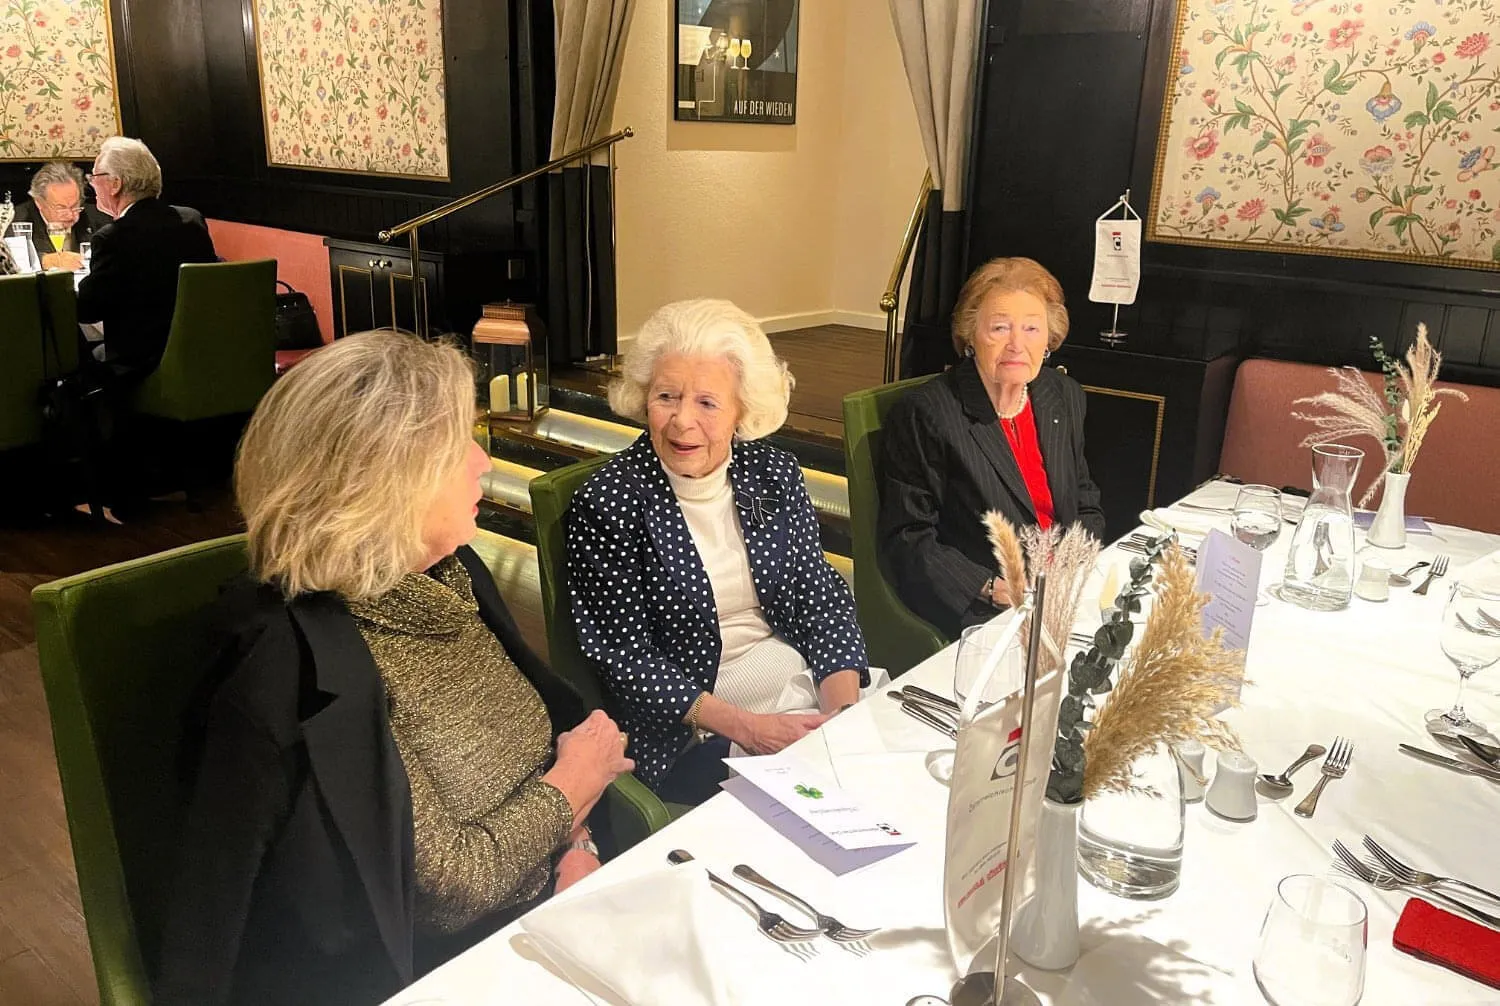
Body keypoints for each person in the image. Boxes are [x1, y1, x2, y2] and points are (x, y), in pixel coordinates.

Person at [155, 331, 633, 1006]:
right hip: (453, 970)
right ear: (382, 486)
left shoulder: (448, 576)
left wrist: (578, 845)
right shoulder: (302, 665)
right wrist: (575, 785)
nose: (482, 462)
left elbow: (543, 742)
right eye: (455, 448)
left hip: (559, 900)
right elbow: (450, 888)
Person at [566, 299, 869, 805]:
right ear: (643, 398)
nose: (682, 421)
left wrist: (841, 714)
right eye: (667, 396)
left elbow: (820, 597)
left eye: (707, 403)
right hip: (692, 726)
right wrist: (749, 729)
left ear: (741, 411)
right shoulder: (610, 501)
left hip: (797, 686)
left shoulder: (773, 474)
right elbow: (624, 659)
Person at [879, 257, 1105, 639]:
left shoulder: (1063, 395)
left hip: (1062, 591)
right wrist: (991, 588)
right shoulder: (929, 413)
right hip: (989, 606)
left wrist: (1073, 566)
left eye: (1031, 328)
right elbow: (909, 536)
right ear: (970, 335)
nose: (1017, 344)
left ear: (1049, 339)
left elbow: (1084, 498)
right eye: (999, 327)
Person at [77, 137, 217, 380]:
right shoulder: (192, 220)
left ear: (115, 184)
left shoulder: (113, 237)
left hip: (141, 368)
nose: (91, 184)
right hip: (200, 355)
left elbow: (88, 310)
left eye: (94, 176)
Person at [4, 161, 108, 271]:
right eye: (61, 208)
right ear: (39, 202)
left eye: (75, 206)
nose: (70, 215)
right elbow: (7, 260)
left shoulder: (100, 218)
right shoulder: (15, 221)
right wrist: (44, 260)